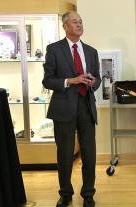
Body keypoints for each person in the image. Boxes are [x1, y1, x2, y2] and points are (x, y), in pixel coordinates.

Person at [42, 11, 101, 207]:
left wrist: (93, 82)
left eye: (81, 22)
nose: (79, 25)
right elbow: (48, 80)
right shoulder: (54, 49)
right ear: (65, 26)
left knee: (89, 153)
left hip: (86, 106)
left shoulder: (91, 51)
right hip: (63, 108)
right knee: (65, 154)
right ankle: (65, 194)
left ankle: (88, 194)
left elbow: (98, 79)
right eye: (75, 22)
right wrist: (71, 81)